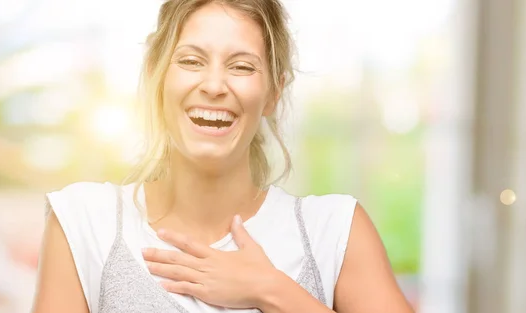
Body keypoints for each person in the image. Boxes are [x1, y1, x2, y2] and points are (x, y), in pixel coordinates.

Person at [31, 0, 415, 312]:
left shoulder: (335, 230)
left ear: (273, 92)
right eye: (191, 61)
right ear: (156, 75)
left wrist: (272, 290)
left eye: (242, 66)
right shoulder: (83, 222)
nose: (214, 85)